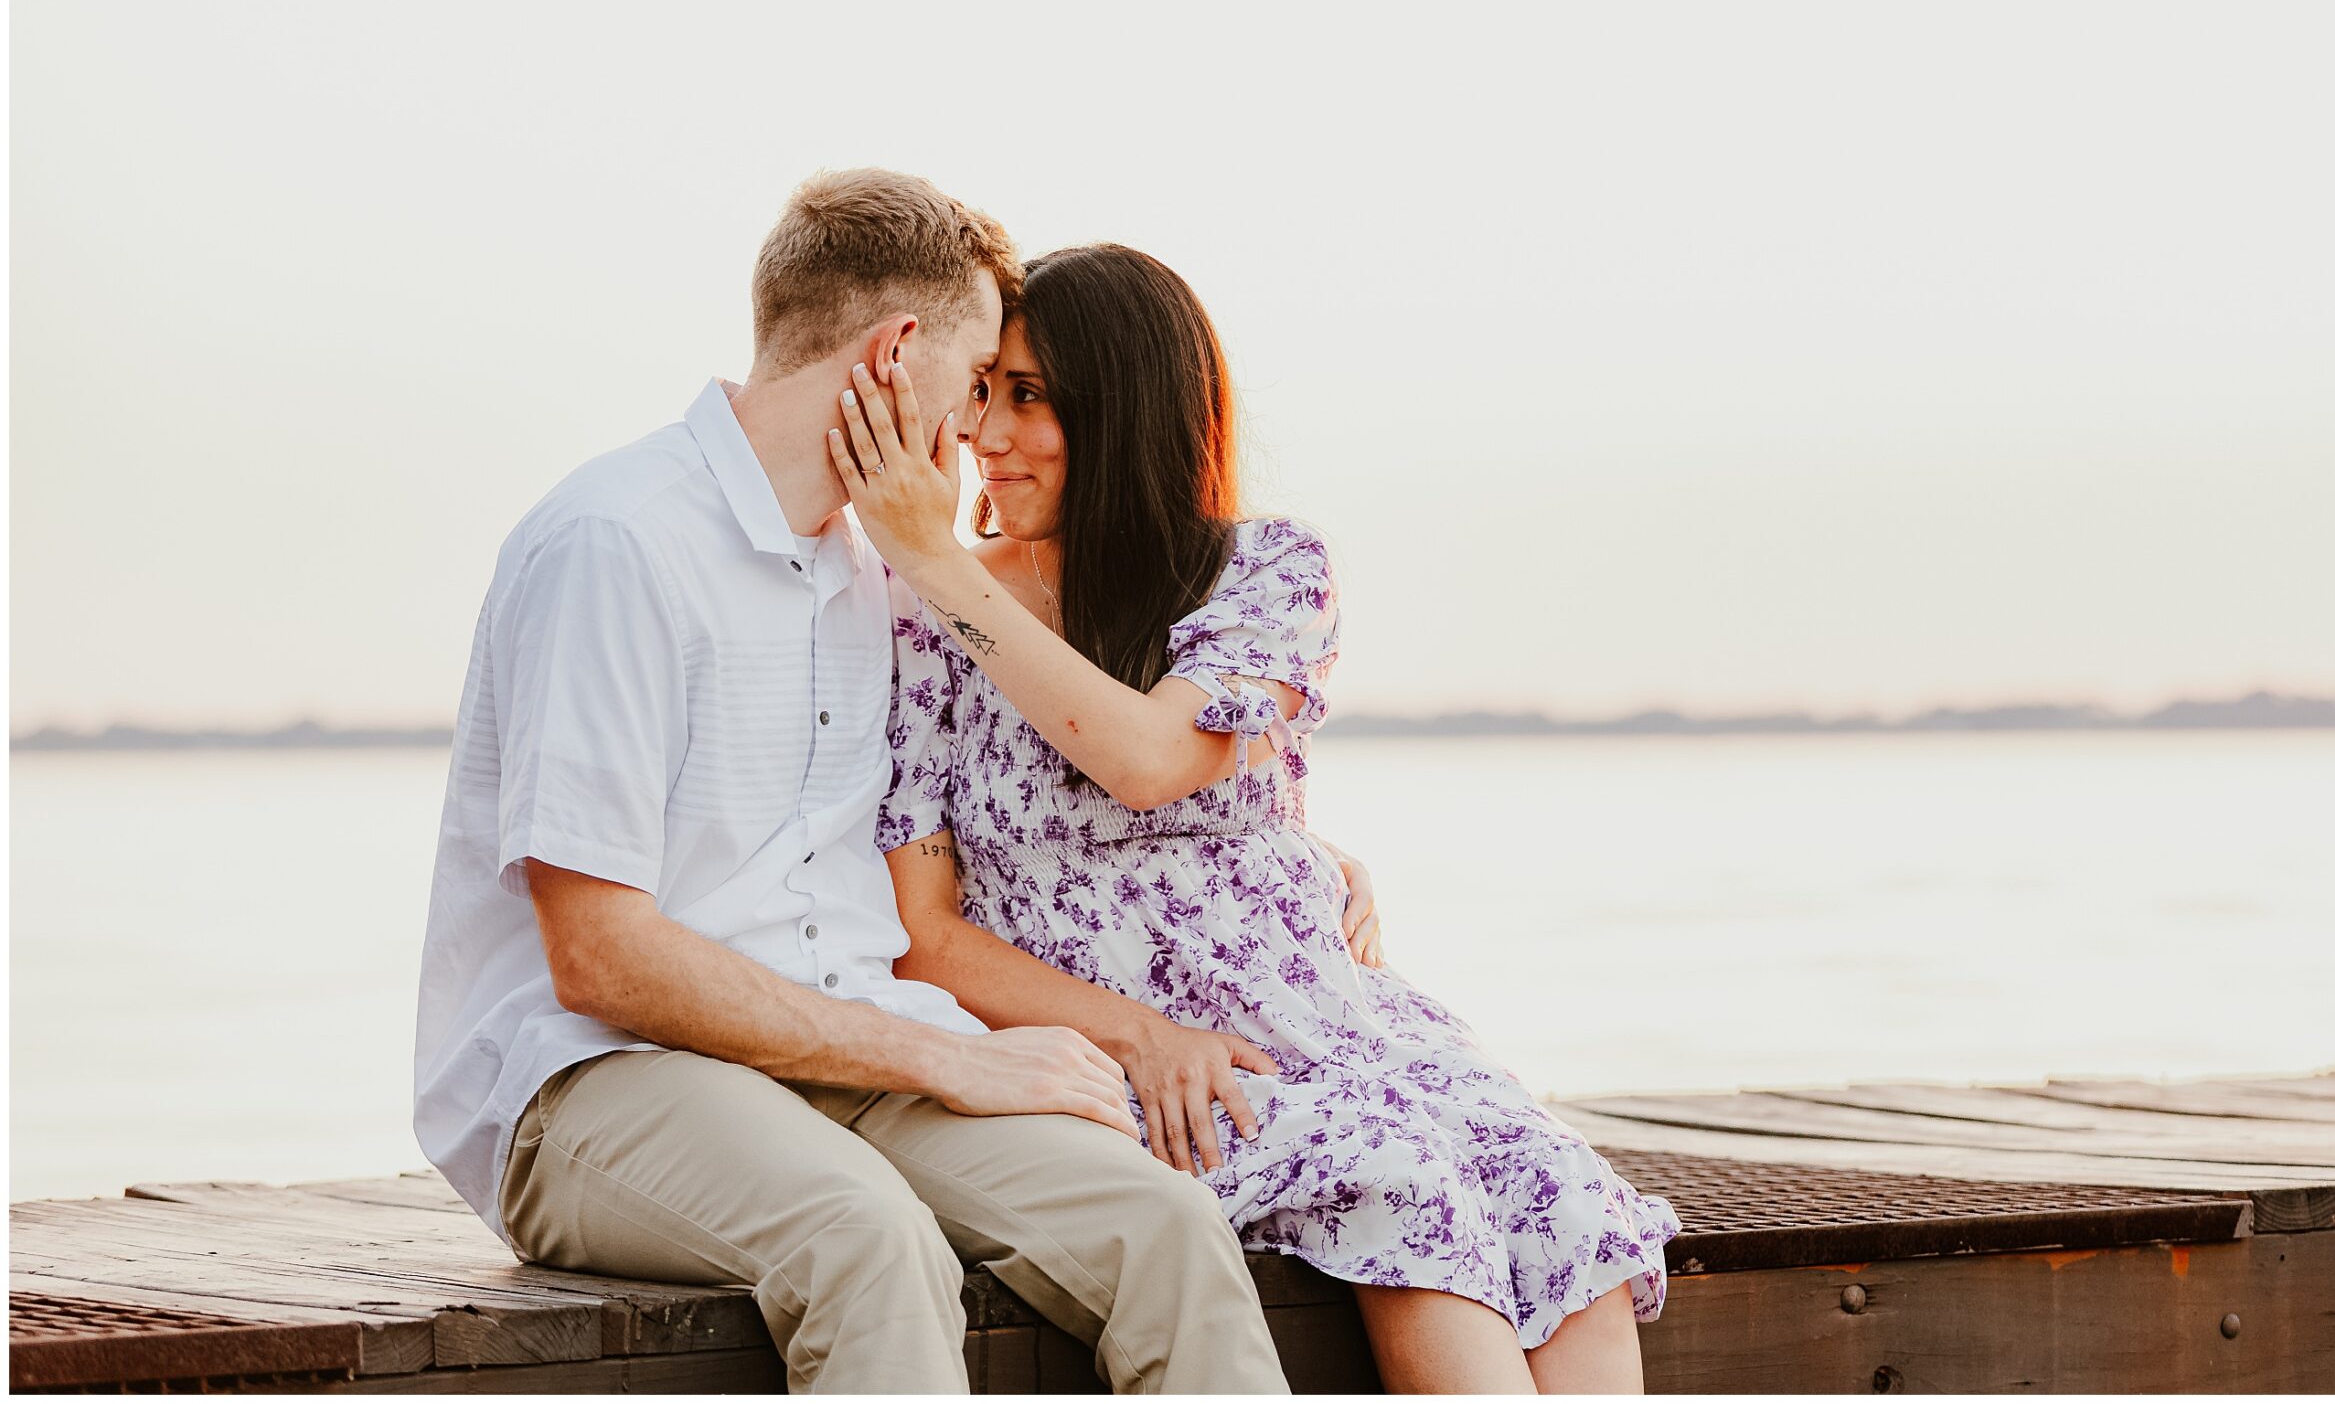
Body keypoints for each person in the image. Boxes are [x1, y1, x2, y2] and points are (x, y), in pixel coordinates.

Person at [411, 173, 1289, 1396]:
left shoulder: (884, 576)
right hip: (596, 1082)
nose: (980, 424)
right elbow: (600, 959)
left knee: (1170, 1232)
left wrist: (1306, 859)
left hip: (855, 1066)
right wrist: (947, 1060)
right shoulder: (618, 542)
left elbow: (1032, 805)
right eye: (978, 377)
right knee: (868, 1240)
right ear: (895, 356)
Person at [834, 243, 1681, 1394]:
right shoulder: (916, 617)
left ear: (1127, 409)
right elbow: (923, 933)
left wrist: (943, 565)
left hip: (1325, 1010)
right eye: (982, 388)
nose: (986, 432)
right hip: (1129, 1044)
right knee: (1399, 1177)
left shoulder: (1265, 571)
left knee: (1554, 1195)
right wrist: (1137, 1034)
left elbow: (1145, 759)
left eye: (1030, 397)